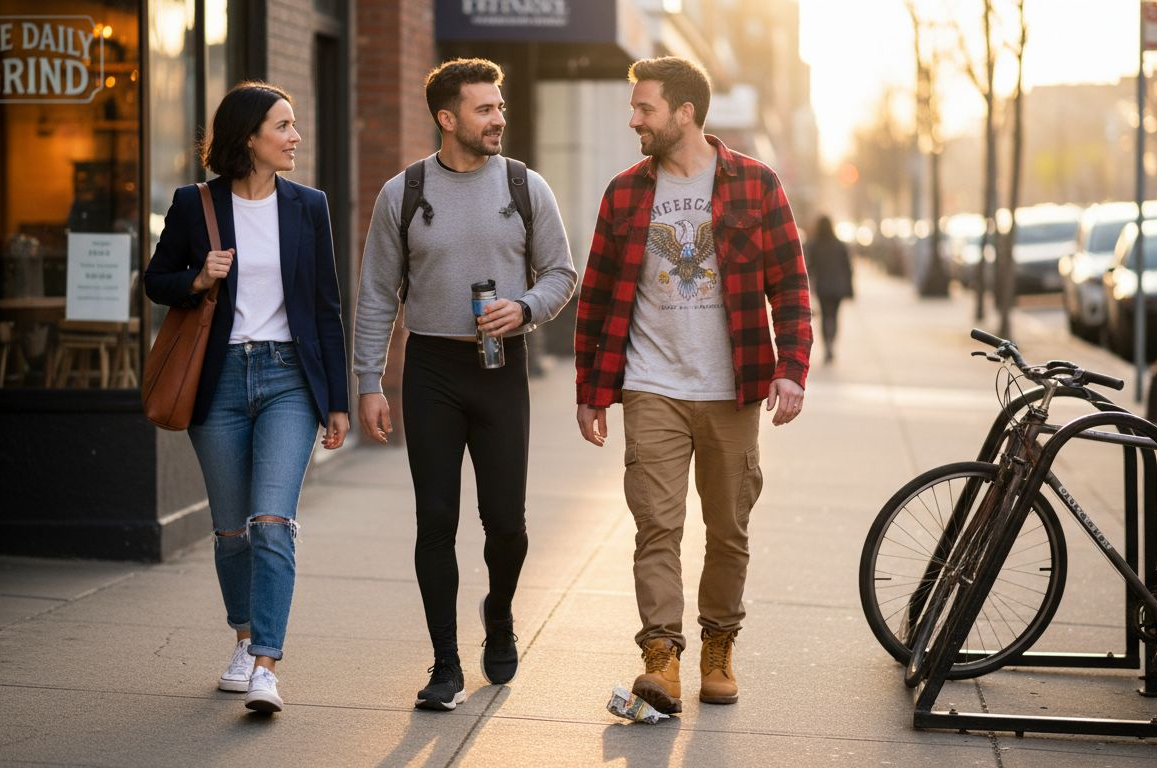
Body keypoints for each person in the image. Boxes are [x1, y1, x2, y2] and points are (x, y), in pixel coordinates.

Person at [573, 56, 811, 715]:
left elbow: (789, 284)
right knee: (657, 525)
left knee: (728, 526)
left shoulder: (756, 185)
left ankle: (718, 646)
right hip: (651, 384)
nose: (634, 119)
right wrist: (591, 390)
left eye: (645, 108)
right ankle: (661, 657)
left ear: (684, 113)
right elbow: (594, 298)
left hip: (730, 386)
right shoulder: (625, 193)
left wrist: (792, 367)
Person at [353, 58, 577, 711]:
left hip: (502, 369)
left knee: (506, 524)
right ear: (447, 118)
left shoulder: (524, 185)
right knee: (436, 521)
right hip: (431, 372)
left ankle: (499, 614)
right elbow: (375, 296)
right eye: (485, 109)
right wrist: (371, 381)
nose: (499, 118)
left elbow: (562, 273)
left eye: (500, 106)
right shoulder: (404, 192)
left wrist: (526, 307)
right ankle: (444, 663)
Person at [144, 81, 350, 714]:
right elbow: (156, 281)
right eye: (283, 126)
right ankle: (242, 639)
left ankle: (266, 663)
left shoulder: (308, 206)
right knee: (232, 531)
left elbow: (324, 307)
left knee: (271, 522)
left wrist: (336, 399)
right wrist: (197, 278)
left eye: (293, 125)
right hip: (221, 379)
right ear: (249, 137)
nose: (295, 137)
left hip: (290, 378)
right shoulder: (193, 204)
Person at [804, 214, 853, 363]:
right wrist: (850, 289)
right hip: (838, 287)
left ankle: (827, 345)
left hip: (823, 287)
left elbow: (808, 268)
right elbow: (848, 268)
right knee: (835, 316)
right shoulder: (839, 245)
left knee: (826, 316)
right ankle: (832, 342)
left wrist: (808, 287)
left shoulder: (814, 244)